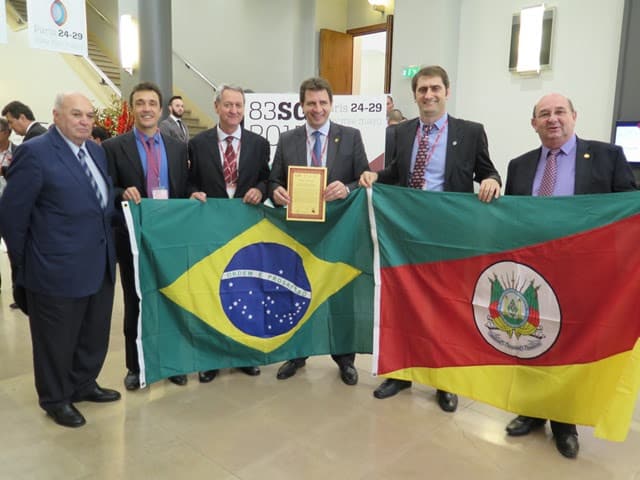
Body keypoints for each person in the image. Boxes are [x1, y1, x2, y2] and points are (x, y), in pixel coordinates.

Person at [359, 65, 501, 412]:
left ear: (446, 92)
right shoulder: (402, 132)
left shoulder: (470, 132)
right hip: (407, 234)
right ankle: (401, 373)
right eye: (422, 90)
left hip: (448, 236)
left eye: (435, 88)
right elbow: (395, 173)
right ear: (415, 95)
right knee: (403, 303)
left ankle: (443, 381)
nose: (429, 95)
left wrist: (493, 180)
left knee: (445, 307)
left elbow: (486, 169)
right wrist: (374, 175)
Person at [503, 93, 636, 459]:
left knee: (571, 345)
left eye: (559, 112)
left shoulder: (607, 157)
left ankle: (565, 421)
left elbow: (629, 208)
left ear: (574, 116)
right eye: (544, 114)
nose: (552, 119)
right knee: (530, 340)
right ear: (533, 123)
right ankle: (531, 412)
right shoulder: (519, 165)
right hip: (533, 273)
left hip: (585, 273)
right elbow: (512, 218)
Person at [0, 92, 120, 428]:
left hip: (99, 264)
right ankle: (55, 398)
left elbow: (101, 202)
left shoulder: (96, 152)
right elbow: (11, 217)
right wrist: (28, 265)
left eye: (90, 116)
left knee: (93, 334)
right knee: (56, 340)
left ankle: (83, 384)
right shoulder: (34, 154)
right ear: (56, 115)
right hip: (53, 270)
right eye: (76, 114)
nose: (85, 121)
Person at [103, 82, 204, 391]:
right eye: (140, 103)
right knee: (136, 301)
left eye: (152, 103)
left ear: (161, 110)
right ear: (133, 108)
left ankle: (172, 362)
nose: (146, 108)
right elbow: (106, 188)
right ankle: (135, 366)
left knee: (171, 298)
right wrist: (123, 191)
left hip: (169, 239)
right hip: (132, 240)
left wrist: (194, 193)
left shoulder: (177, 147)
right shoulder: (113, 147)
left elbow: (182, 186)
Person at [269, 77, 369, 386]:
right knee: (296, 290)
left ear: (331, 104)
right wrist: (276, 192)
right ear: (302, 106)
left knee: (342, 294)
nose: (317, 109)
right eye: (311, 103)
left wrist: (348, 186)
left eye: (322, 102)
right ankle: (297, 353)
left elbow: (364, 178)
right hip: (301, 232)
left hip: (340, 230)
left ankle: (344, 358)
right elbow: (273, 180)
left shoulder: (350, 136)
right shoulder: (287, 140)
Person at [187, 85, 270, 383]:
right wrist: (193, 193)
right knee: (212, 291)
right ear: (216, 107)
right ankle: (210, 358)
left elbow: (267, 179)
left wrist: (260, 190)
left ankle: (244, 355)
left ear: (244, 109)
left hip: (246, 229)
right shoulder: (198, 144)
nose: (233, 110)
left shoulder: (260, 144)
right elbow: (189, 182)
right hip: (211, 230)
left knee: (247, 291)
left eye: (238, 105)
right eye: (228, 105)